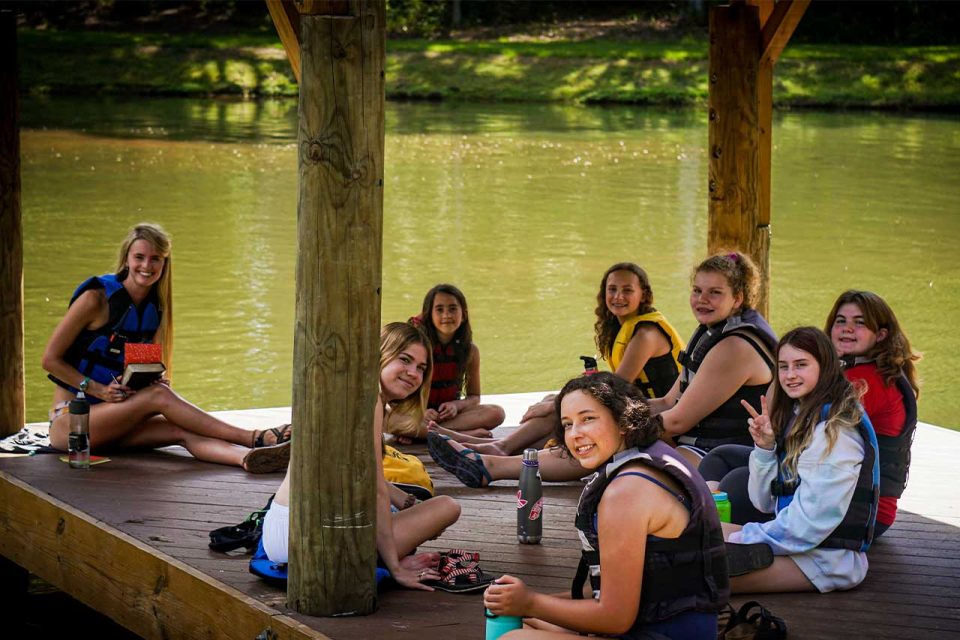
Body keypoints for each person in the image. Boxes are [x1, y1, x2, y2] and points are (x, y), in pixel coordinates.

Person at [428, 252, 773, 488]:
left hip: (720, 456)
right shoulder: (713, 333)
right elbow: (669, 401)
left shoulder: (734, 347)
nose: (702, 300)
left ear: (738, 298)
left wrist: (610, 424)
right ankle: (494, 461)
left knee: (602, 436)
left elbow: (679, 420)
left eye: (715, 293)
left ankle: (494, 465)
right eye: (697, 291)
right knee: (588, 418)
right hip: (693, 440)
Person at [482, 372, 728, 639]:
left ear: (623, 420)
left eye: (588, 419)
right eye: (567, 424)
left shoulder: (625, 492)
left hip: (662, 632)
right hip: (682, 625)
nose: (575, 434)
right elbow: (627, 582)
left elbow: (615, 619)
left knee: (513, 638)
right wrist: (530, 604)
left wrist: (530, 602)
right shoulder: (654, 453)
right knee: (526, 620)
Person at [42, 223, 290, 472]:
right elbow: (49, 359)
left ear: (164, 263)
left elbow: (140, 370)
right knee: (160, 398)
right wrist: (98, 389)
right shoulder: (95, 299)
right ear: (127, 259)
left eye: (155, 259)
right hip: (72, 425)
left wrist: (152, 381)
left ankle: (248, 458)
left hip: (114, 421)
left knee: (181, 429)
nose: (146, 266)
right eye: (139, 257)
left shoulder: (153, 310)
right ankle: (254, 437)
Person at [261, 323, 461, 589]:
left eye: (421, 368)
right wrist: (396, 568)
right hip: (309, 537)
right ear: (381, 354)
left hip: (281, 529)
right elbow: (374, 489)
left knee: (406, 507)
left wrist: (408, 503)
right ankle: (382, 559)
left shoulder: (351, 390)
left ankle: (383, 551)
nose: (413, 373)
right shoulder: (371, 400)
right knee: (446, 506)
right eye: (405, 360)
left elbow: (369, 479)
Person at [432, 263, 683, 457]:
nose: (618, 296)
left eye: (627, 290)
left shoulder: (646, 334)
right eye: (612, 289)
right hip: (637, 406)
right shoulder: (623, 326)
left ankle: (501, 447)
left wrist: (557, 405)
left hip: (655, 414)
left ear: (644, 294)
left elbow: (616, 387)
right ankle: (499, 445)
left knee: (563, 408)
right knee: (555, 402)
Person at [722, 327, 879, 594]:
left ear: (825, 366)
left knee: (697, 575)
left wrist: (742, 539)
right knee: (696, 532)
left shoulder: (836, 431)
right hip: (795, 544)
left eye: (801, 365)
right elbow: (764, 502)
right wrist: (765, 449)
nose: (790, 375)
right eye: (783, 366)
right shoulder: (801, 416)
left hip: (826, 560)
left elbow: (809, 526)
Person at [826, 290, 920, 538]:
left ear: (880, 335)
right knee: (730, 460)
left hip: (862, 511)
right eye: (841, 321)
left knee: (738, 484)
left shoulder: (869, 381)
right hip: (846, 500)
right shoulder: (858, 369)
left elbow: (812, 434)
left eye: (859, 323)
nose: (847, 328)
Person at [385, 284, 505, 442]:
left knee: (496, 413)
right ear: (429, 315)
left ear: (464, 314)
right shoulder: (418, 347)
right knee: (388, 420)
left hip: (445, 418)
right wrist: (420, 412)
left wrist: (456, 406)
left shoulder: (470, 351)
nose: (447, 315)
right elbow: (396, 396)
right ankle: (460, 436)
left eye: (453, 309)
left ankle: (423, 433)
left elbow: (474, 397)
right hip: (415, 414)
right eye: (439, 309)